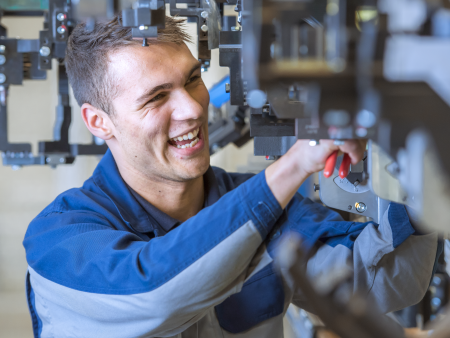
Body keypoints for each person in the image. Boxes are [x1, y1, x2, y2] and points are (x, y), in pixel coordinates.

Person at [23, 16, 439, 338]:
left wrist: (422, 161)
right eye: (156, 97)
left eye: (192, 79)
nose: (192, 109)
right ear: (99, 122)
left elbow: (385, 283)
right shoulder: (58, 240)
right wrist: (293, 164)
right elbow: (153, 292)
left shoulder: (268, 208)